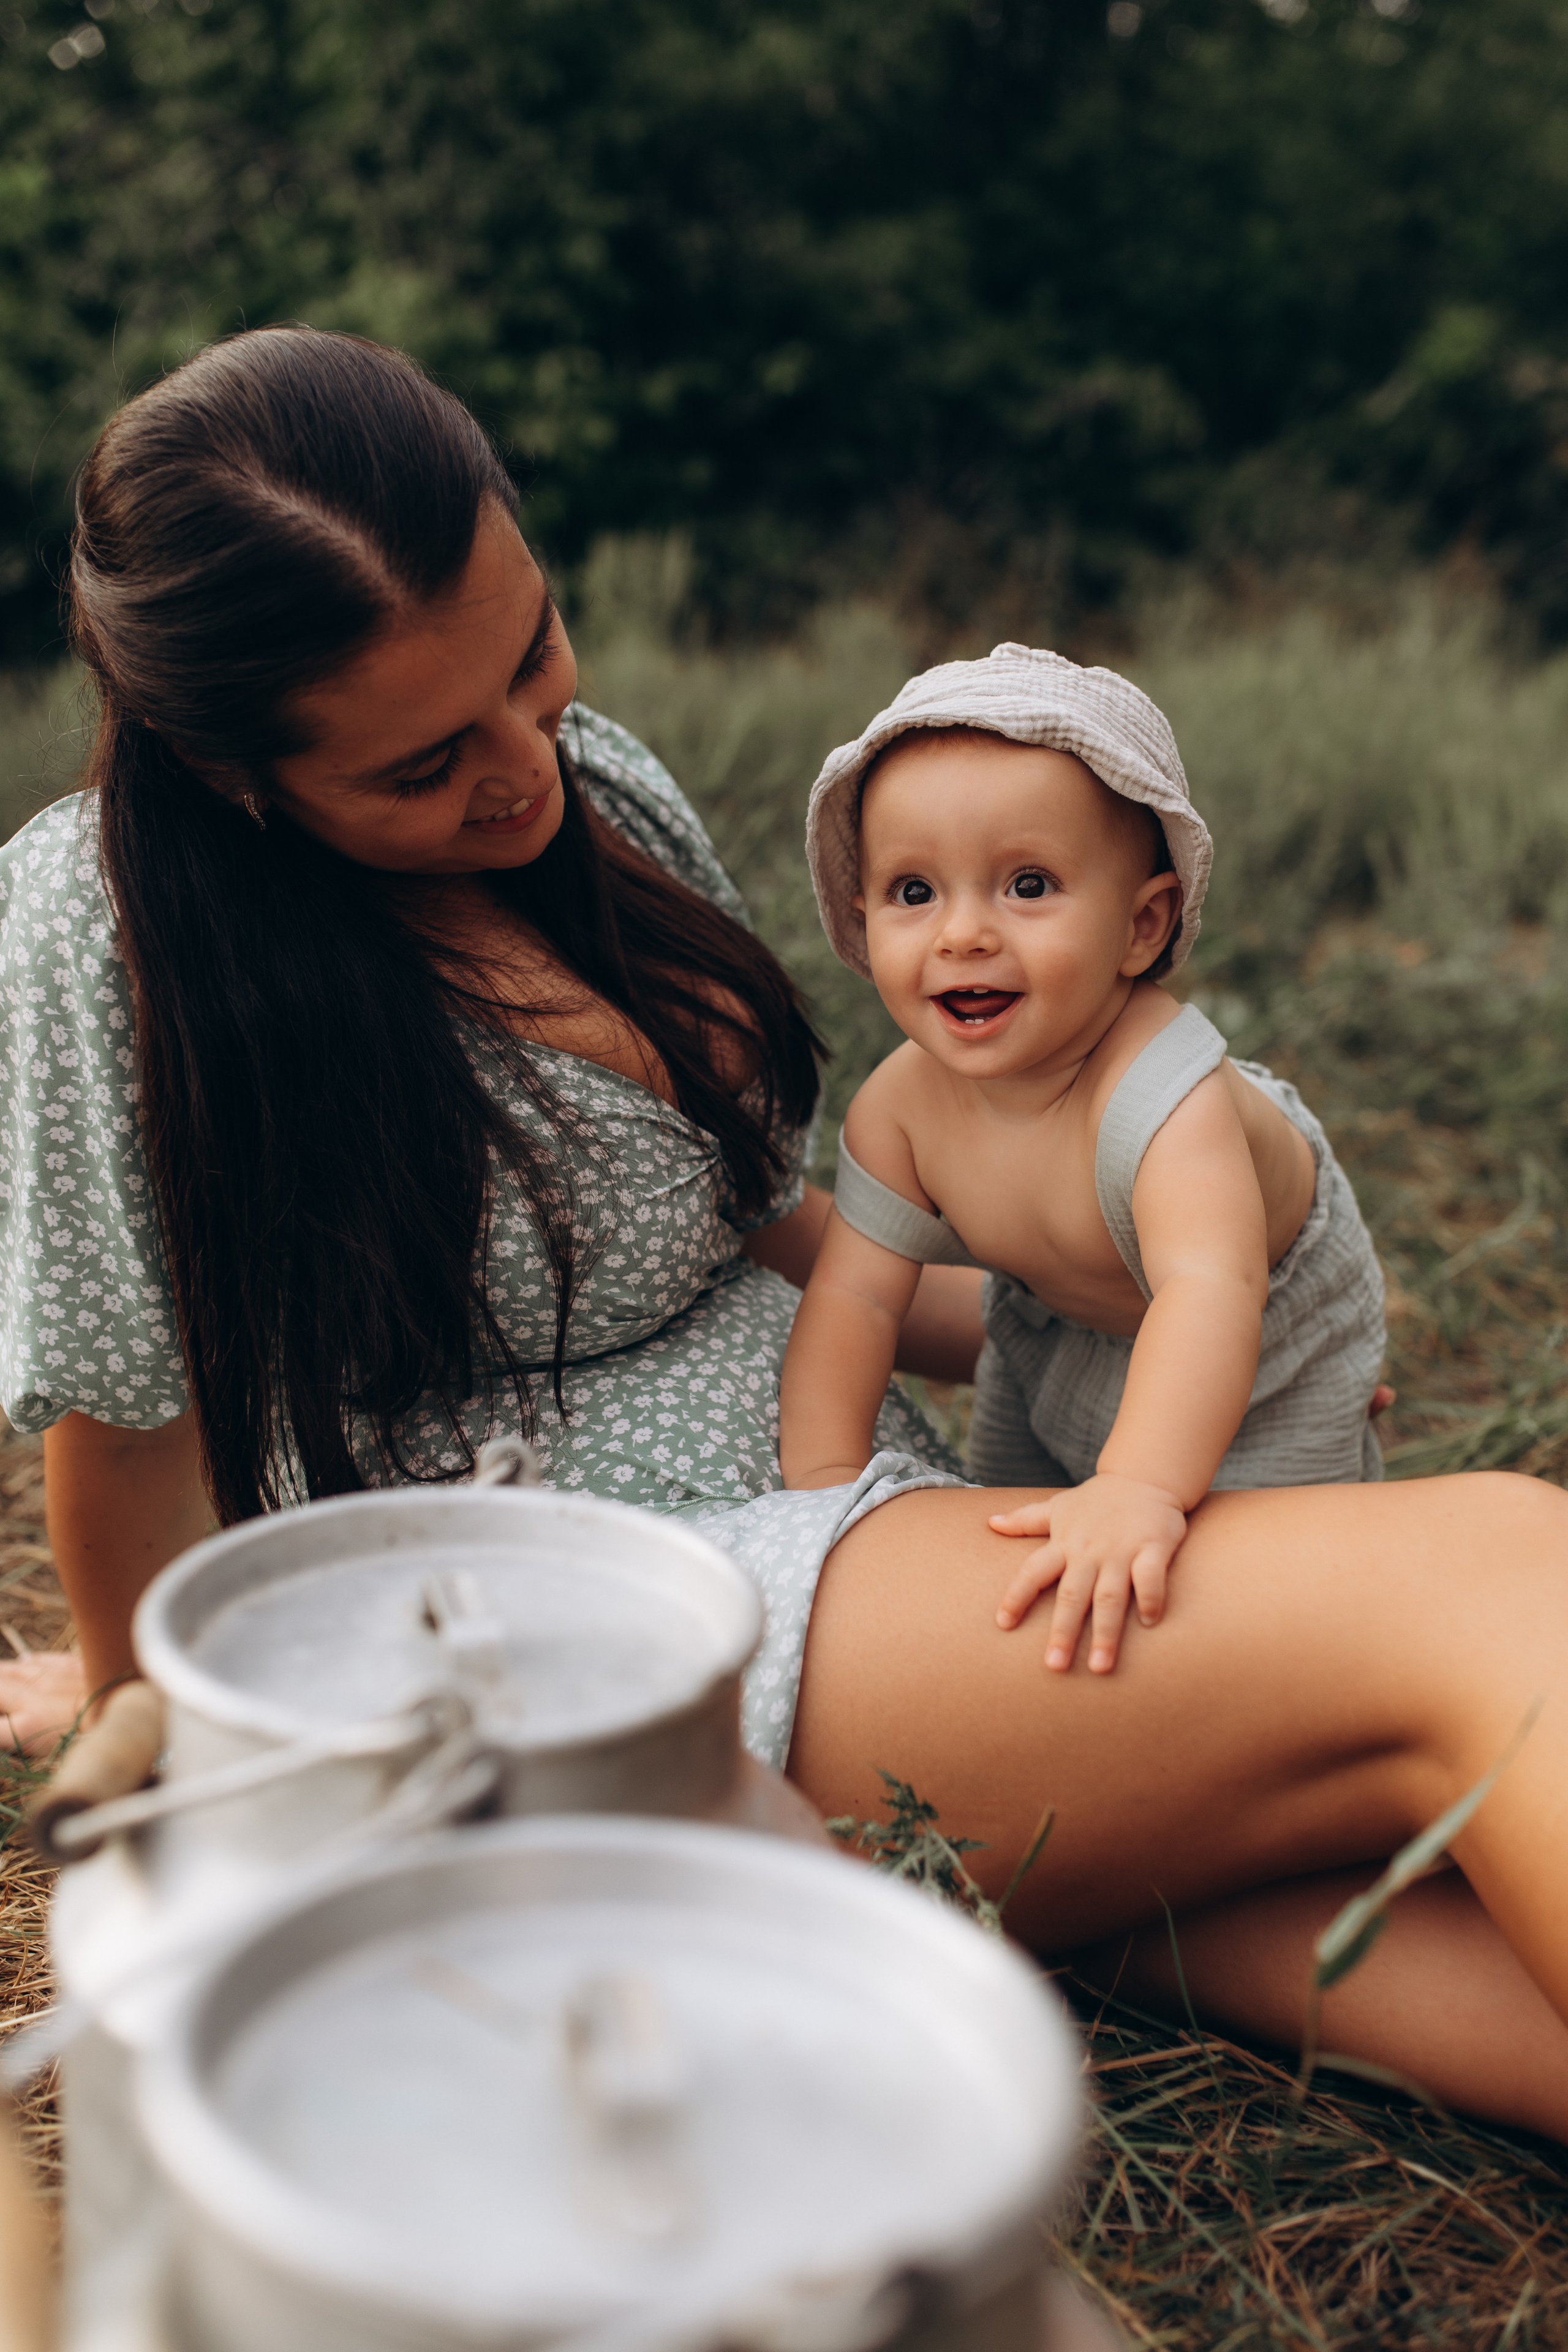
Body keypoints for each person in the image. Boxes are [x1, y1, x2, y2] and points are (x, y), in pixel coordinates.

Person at [2, 328, 1568, 2144]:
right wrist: (144, 1711)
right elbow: (122, 1426)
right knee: (1493, 1586)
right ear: (237, 777)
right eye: (427, 766)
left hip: (864, 1556)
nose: (527, 768)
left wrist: (1133, 1322)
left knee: (1389, 1883)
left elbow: (800, 1238)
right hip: (600, 1633)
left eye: (536, 658)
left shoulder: (599, 787)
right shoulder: (97, 933)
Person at [780, 652, 1385, 1677]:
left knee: (1262, 1582)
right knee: (1017, 1527)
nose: (964, 934)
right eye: (914, 891)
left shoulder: (1162, 1099)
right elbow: (856, 1301)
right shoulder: (901, 1108)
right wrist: (820, 1494)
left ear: (1140, 926)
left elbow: (1209, 1289)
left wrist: (1142, 1488)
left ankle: (1321, 1698)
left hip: (1258, 1321)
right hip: (1051, 1320)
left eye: (1028, 886)